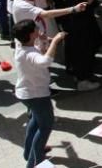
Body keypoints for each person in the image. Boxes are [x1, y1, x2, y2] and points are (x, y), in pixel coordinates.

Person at [14, 19, 65, 168]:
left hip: (27, 93)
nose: (38, 30)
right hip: (37, 95)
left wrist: (43, 42)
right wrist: (55, 41)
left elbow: (39, 55)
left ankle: (28, 151)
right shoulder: (28, 53)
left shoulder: (23, 47)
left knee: (35, 121)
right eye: (35, 29)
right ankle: (35, 161)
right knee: (45, 126)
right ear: (30, 34)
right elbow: (44, 61)